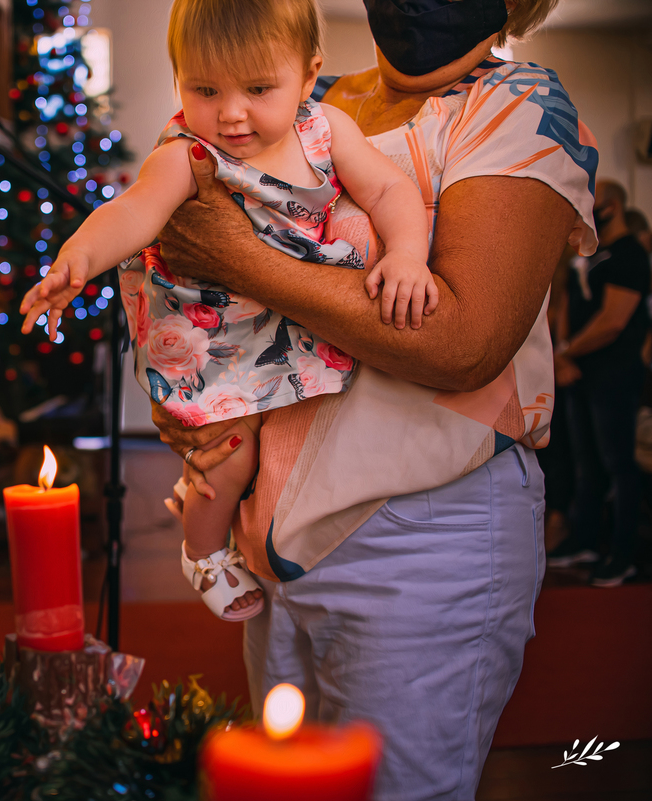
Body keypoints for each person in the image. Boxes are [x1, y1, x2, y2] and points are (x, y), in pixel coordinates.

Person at [148, 0, 595, 797]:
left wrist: (240, 258)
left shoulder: (518, 105)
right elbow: (184, 262)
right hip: (274, 532)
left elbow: (464, 340)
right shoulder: (307, 97)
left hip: (420, 529)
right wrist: (188, 391)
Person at [20, 0, 437, 622]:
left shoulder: (327, 130)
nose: (231, 111)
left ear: (308, 72)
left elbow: (388, 189)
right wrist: (75, 260)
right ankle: (203, 549)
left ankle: (204, 501)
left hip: (294, 311)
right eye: (204, 88)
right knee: (233, 448)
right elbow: (133, 213)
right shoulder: (189, 152)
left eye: (259, 88)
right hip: (214, 333)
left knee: (292, 443)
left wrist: (406, 253)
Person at [547, 180, 650, 586]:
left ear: (611, 205)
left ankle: (623, 555)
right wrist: (561, 353)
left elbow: (612, 321)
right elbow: (568, 303)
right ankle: (585, 540)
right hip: (581, 373)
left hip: (616, 373)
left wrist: (567, 351)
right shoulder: (589, 255)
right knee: (585, 462)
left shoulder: (629, 255)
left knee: (618, 463)